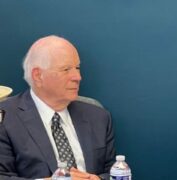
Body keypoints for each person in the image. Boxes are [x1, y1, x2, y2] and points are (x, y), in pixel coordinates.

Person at [0, 35, 115, 180]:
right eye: (66, 69)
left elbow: (113, 171)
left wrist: (97, 179)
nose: (77, 77)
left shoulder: (98, 116)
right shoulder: (6, 117)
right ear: (38, 76)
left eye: (77, 68)